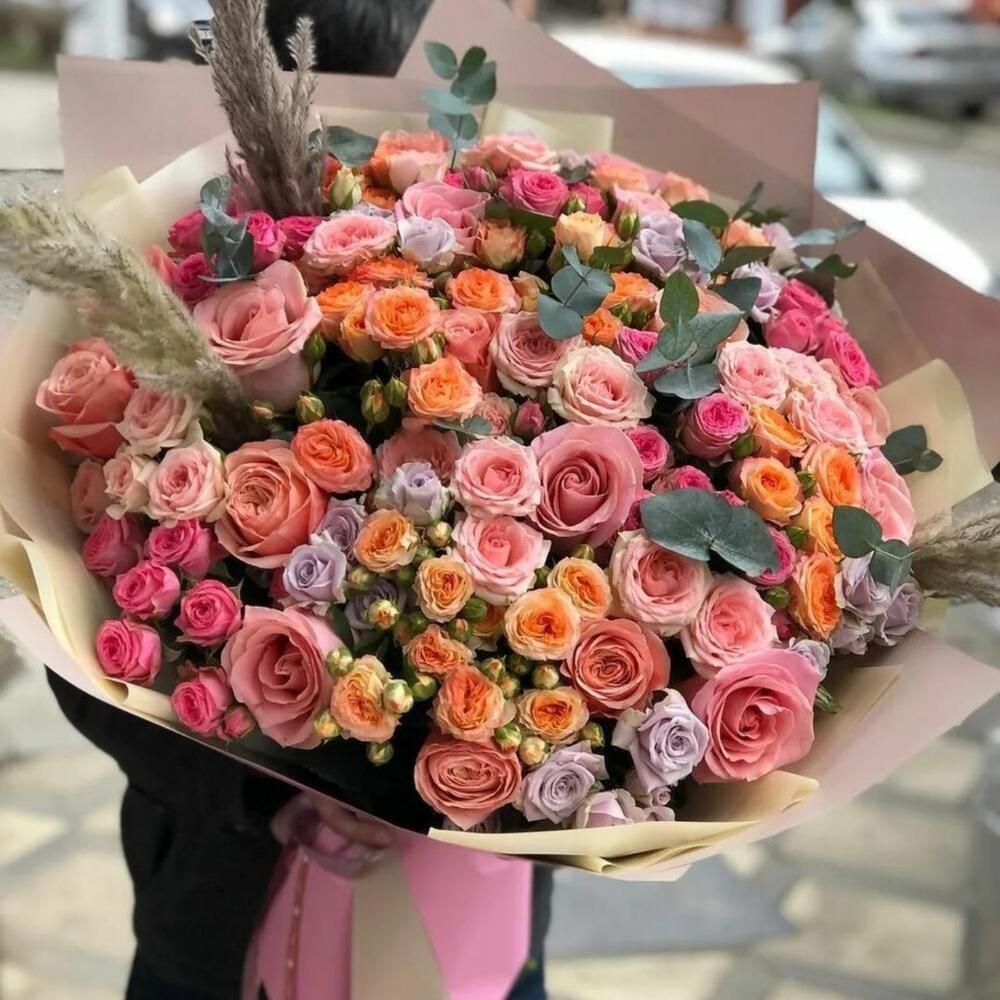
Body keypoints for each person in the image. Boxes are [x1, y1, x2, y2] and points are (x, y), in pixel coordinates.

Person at [49, 2, 553, 998]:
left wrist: (532, 783)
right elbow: (75, 654)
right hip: (214, 921)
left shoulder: (516, 277)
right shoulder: (170, 307)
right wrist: (266, 791)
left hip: (476, 940)